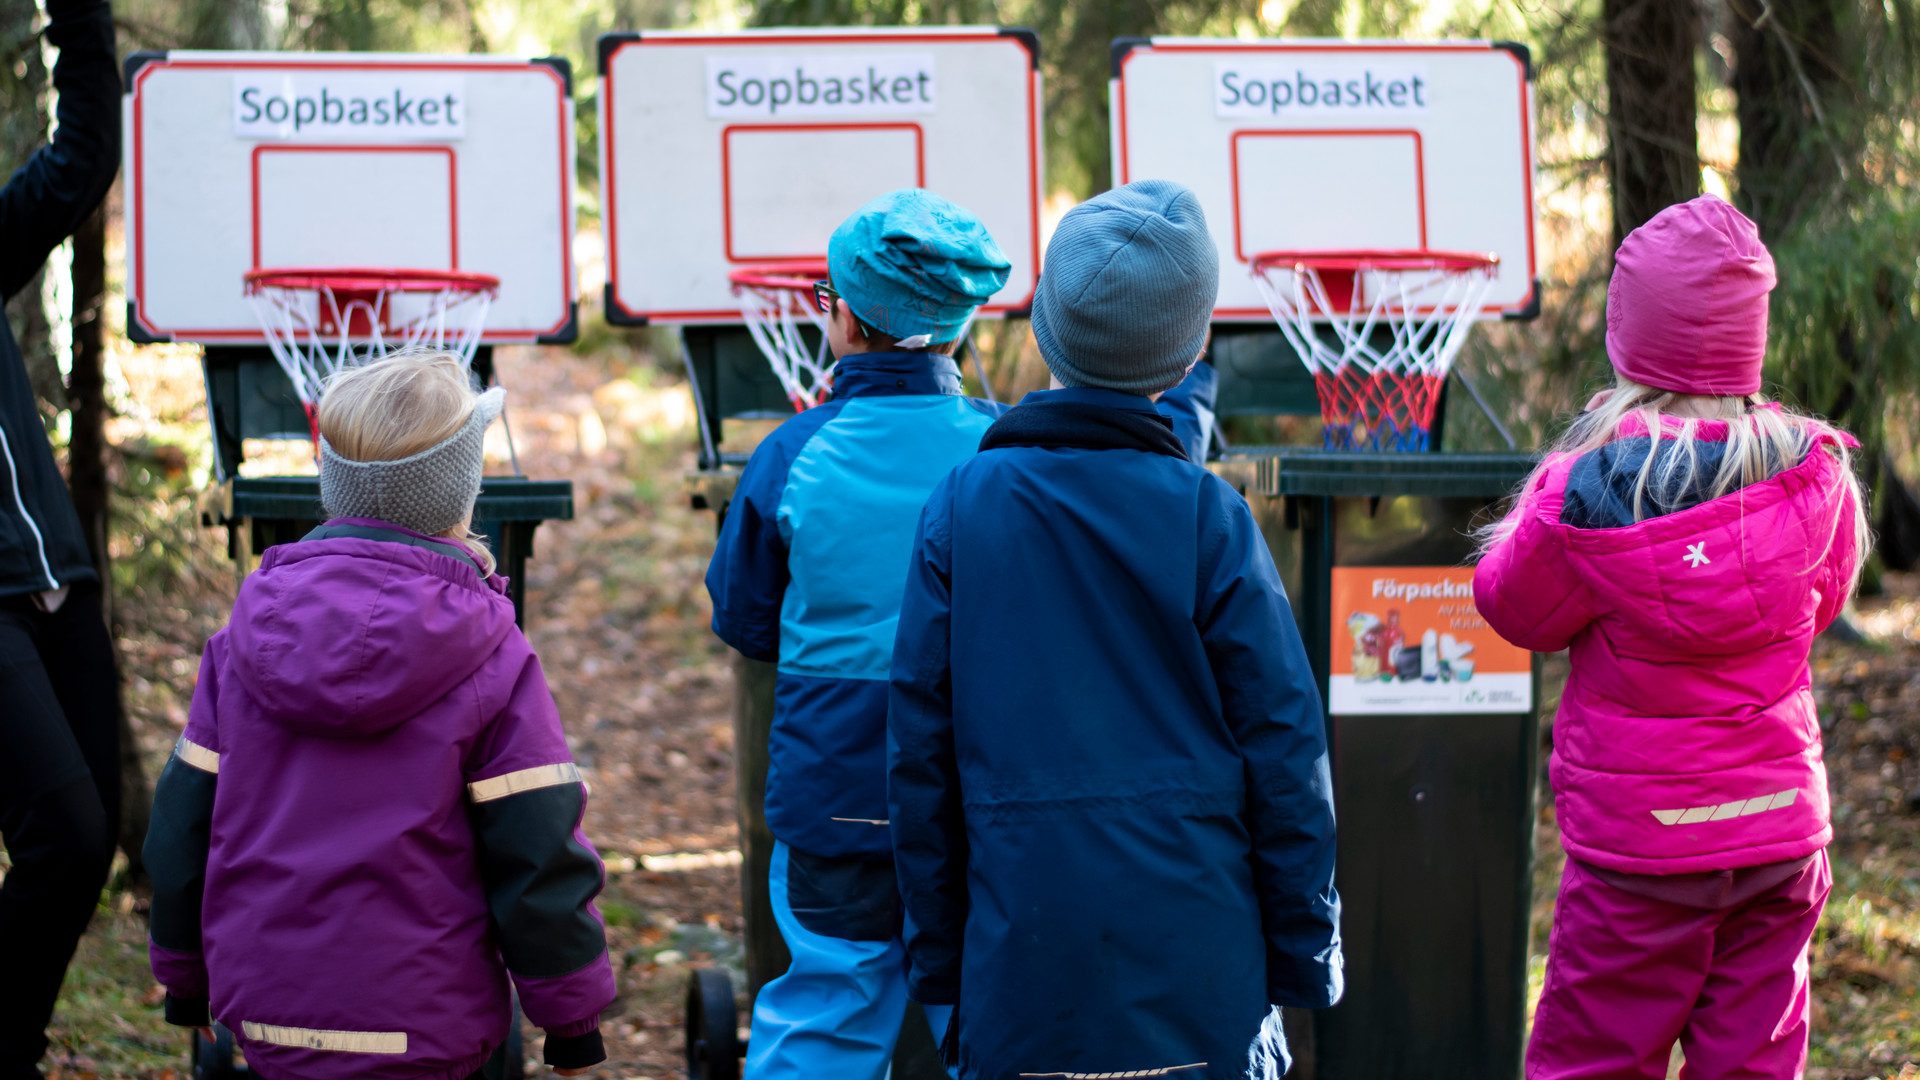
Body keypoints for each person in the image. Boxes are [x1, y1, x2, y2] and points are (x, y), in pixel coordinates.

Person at [886, 179, 1343, 1080]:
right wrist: (1299, 953)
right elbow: (1287, 753)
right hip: (1202, 958)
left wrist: (942, 963)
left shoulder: (962, 509)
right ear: (1190, 354)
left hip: (1019, 952)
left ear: (1042, 330)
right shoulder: (1210, 517)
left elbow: (918, 759)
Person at [1473, 195, 1868, 1080]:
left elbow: (1511, 608)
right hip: (1778, 834)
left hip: (1642, 849)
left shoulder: (1589, 490)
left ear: (1629, 337)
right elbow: (1824, 596)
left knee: (1596, 1059)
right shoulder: (1815, 473)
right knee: (1754, 1062)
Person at [144, 352, 616, 1080]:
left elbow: (182, 823)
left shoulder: (243, 642)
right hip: (427, 1019)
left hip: (270, 1010)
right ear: (463, 488)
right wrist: (569, 1016)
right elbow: (538, 843)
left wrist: (183, 976)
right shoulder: (492, 653)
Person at [704, 188, 1012, 1080]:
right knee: (988, 1020)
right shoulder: (999, 455)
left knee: (830, 1017)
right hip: (972, 791)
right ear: (957, 328)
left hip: (840, 783)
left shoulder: (794, 455)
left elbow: (746, 622)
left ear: (840, 320)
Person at [0, 1, 125, 1075]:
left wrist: (73, 16)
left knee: (98, 832)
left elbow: (80, 157)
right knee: (65, 834)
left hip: (55, 575)